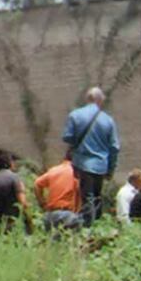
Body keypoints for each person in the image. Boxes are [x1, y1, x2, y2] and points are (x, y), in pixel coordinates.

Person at [62, 86, 120, 227]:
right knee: (97, 197)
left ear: (87, 99)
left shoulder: (75, 115)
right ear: (99, 100)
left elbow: (67, 137)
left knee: (87, 197)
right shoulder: (108, 120)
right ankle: (97, 225)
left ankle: (88, 228)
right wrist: (111, 168)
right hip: (101, 165)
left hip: (83, 163)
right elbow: (114, 147)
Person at [34, 151, 83, 232]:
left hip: (50, 215)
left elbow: (37, 184)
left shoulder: (54, 170)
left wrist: (42, 203)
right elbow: (79, 192)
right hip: (68, 215)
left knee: (51, 241)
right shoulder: (76, 173)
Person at [0, 153, 35, 235]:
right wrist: (29, 221)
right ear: (10, 163)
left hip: (0, 226)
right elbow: (22, 202)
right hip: (16, 224)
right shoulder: (15, 178)